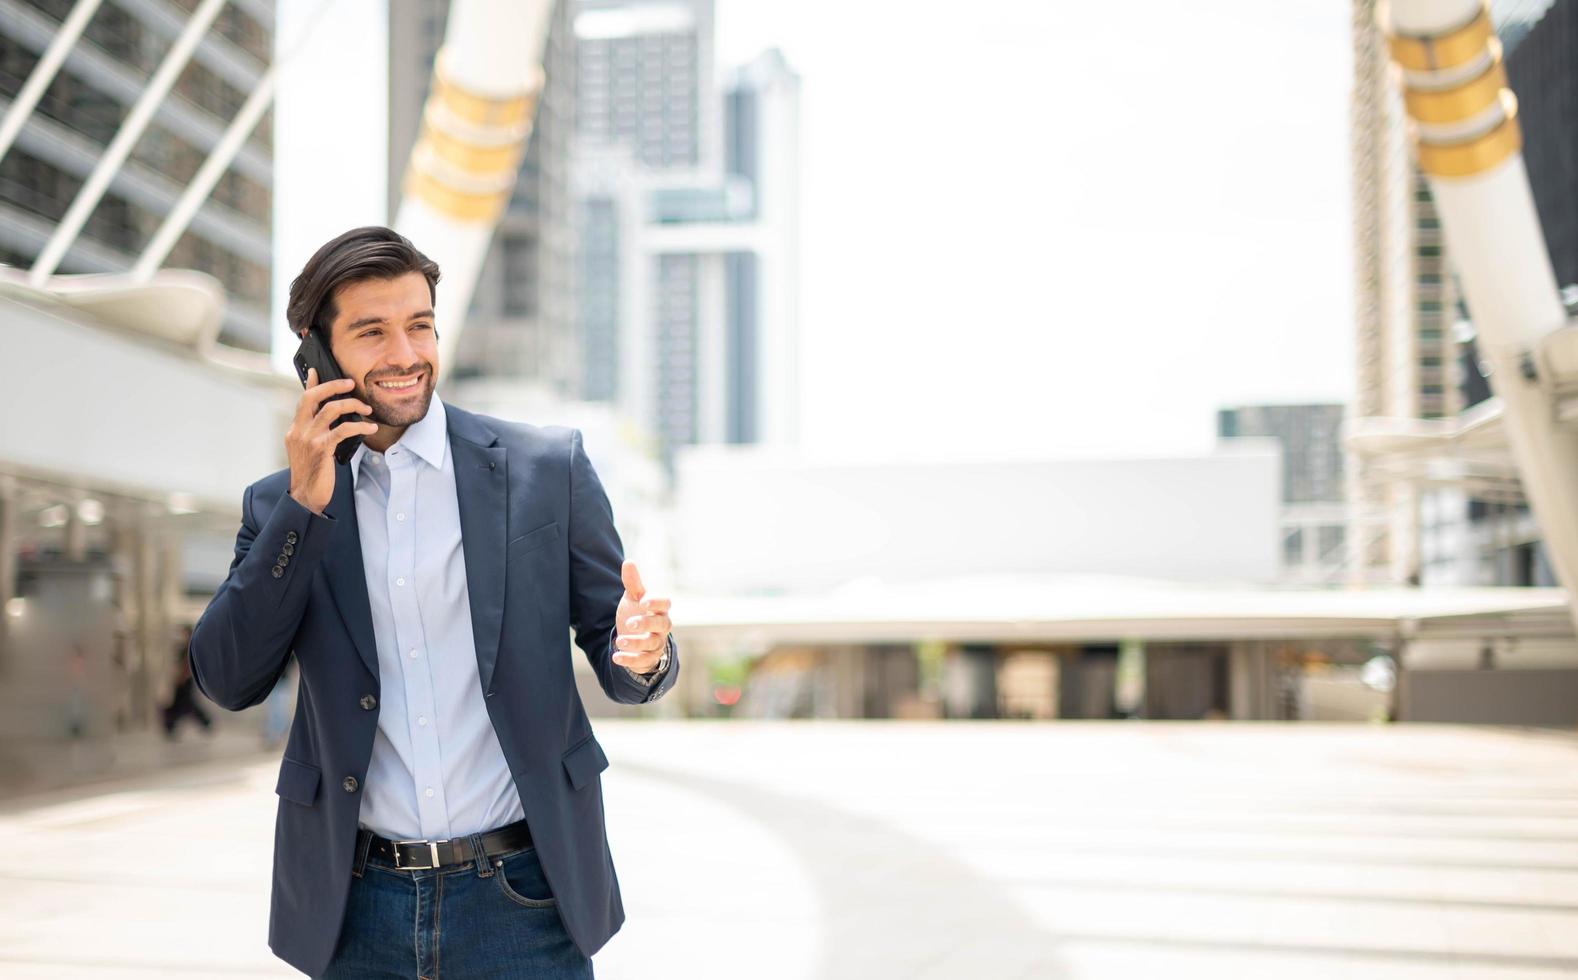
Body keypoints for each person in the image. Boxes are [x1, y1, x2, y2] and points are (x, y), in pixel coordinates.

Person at [188, 226, 678, 978]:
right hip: (355, 912)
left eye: (419, 325)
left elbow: (619, 645)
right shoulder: (279, 507)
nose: (406, 355)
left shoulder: (546, 470)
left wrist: (642, 653)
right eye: (372, 332)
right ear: (316, 356)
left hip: (525, 900)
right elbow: (227, 676)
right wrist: (304, 508)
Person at [161, 627, 214, 740]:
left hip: (185, 681)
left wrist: (182, 678)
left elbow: (187, 666)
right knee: (182, 705)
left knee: (185, 705)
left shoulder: (191, 647)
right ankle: (171, 728)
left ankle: (205, 722)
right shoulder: (184, 648)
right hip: (182, 680)